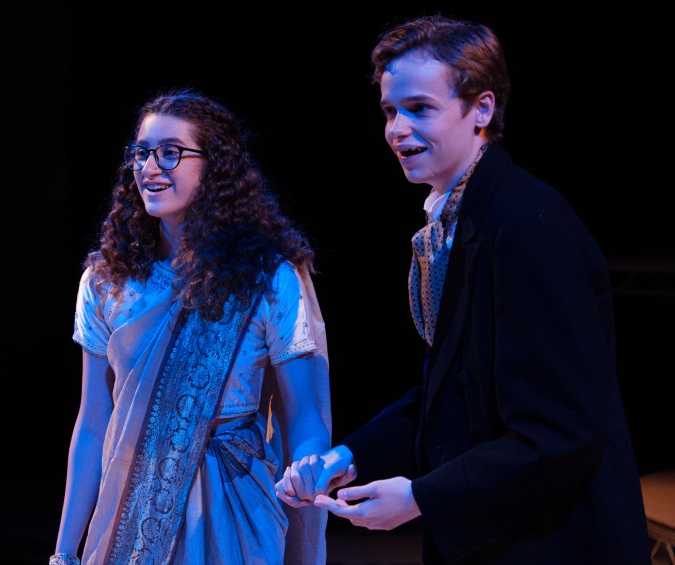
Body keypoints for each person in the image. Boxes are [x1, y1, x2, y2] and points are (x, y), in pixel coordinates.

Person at [275, 14, 651, 564]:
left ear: (482, 109)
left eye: (419, 108)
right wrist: (347, 456)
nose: (396, 129)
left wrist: (422, 498)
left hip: (555, 543)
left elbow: (560, 429)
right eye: (389, 111)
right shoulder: (461, 221)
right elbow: (448, 391)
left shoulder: (526, 225)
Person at [51, 87, 332, 565]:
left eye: (170, 153)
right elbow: (94, 424)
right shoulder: (107, 281)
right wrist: (63, 551)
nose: (149, 167)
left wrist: (310, 463)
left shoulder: (266, 279)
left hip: (234, 508)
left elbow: (304, 414)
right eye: (141, 153)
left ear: (214, 166)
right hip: (129, 508)